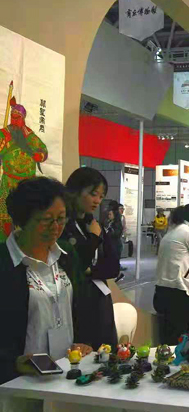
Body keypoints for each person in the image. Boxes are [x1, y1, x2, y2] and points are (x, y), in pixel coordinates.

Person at [0, 177, 92, 386]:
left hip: (66, 371)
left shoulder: (66, 254)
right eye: (46, 220)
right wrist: (11, 363)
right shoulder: (5, 263)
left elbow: (82, 303)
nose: (56, 227)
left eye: (61, 218)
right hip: (18, 380)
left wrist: (83, 341)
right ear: (23, 220)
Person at [61, 167, 119, 350]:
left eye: (101, 196)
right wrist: (93, 239)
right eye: (93, 194)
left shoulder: (93, 224)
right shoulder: (63, 226)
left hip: (99, 298)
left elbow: (113, 267)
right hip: (76, 301)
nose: (97, 201)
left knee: (106, 351)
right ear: (75, 191)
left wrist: (89, 270)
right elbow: (73, 266)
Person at [154, 204, 189, 345]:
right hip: (179, 291)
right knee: (181, 335)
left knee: (168, 334)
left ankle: (167, 356)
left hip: (161, 290)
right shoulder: (188, 232)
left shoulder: (170, 232)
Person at [0, 95, 48, 241]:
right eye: (13, 117)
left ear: (23, 119)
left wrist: (40, 155)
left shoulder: (29, 136)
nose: (14, 121)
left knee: (27, 214)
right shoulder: (3, 134)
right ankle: (4, 244)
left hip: (27, 183)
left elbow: (43, 150)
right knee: (5, 215)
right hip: (9, 181)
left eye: (18, 118)